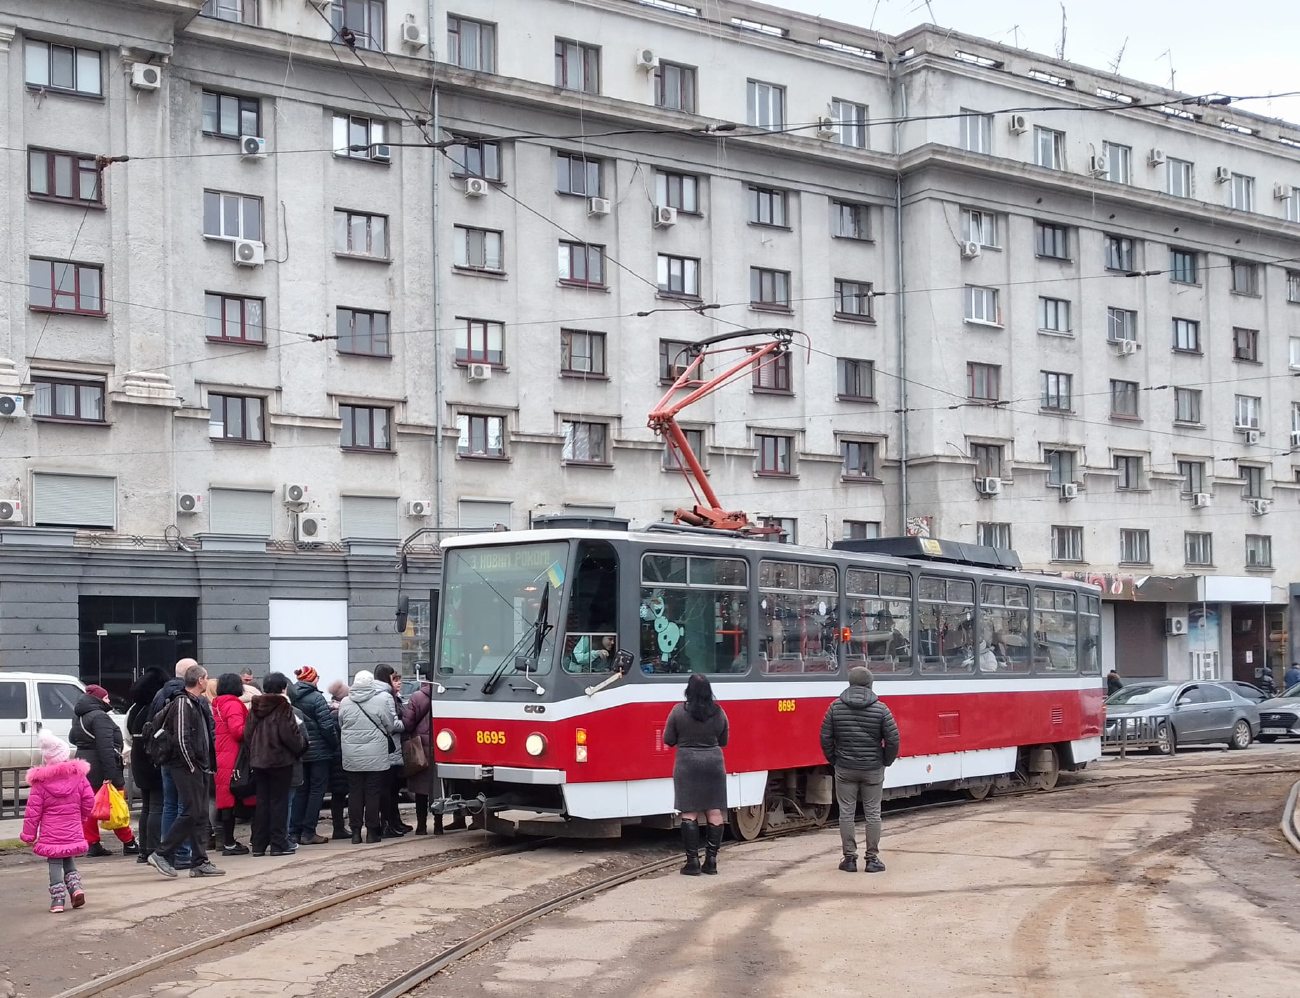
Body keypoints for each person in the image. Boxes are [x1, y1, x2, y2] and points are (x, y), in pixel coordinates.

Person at [146, 664, 224, 879]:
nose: (208, 681)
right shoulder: (183, 703)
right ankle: (161, 853)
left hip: (198, 766)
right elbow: (182, 738)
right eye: (206, 677)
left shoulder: (195, 702)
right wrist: (191, 765)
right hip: (186, 767)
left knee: (198, 814)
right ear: (200, 680)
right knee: (191, 812)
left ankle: (200, 862)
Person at [820, 667, 900, 874]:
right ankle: (872, 860)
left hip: (845, 768)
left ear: (850, 683)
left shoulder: (835, 708)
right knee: (873, 813)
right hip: (873, 769)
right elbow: (893, 740)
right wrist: (885, 761)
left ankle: (849, 859)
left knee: (846, 813)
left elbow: (825, 738)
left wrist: (835, 760)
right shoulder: (881, 709)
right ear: (870, 684)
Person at [662, 674, 730, 876]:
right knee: (714, 811)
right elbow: (724, 740)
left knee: (689, 812)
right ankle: (711, 861)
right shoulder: (719, 712)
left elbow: (668, 739)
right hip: (714, 764)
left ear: (688, 691)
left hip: (687, 764)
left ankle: (692, 862)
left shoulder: (677, 711)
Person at [21, 731, 96, 912]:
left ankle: (57, 901)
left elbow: (33, 811)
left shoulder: (40, 783)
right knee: (68, 856)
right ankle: (76, 889)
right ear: (65, 755)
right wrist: (82, 817)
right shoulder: (78, 776)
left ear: (47, 759)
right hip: (72, 827)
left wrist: (29, 834)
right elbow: (89, 800)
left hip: (51, 832)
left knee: (55, 862)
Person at [69, 684, 139, 858]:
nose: (109, 701)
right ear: (99, 699)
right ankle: (129, 843)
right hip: (102, 770)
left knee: (89, 809)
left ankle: (92, 844)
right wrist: (111, 775)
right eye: (106, 698)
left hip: (84, 767)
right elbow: (106, 748)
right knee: (116, 808)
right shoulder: (100, 717)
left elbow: (72, 737)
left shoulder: (78, 716)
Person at [247, 672, 309, 857]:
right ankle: (278, 844)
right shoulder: (283, 707)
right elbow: (290, 736)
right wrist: (303, 746)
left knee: (262, 802)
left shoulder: (255, 705)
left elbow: (247, 733)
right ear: (284, 688)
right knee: (279, 803)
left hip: (259, 761)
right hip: (280, 761)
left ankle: (258, 845)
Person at [338, 671, 402, 843]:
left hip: (351, 755)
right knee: (373, 793)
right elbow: (389, 726)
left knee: (355, 793)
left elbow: (341, 723)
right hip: (376, 755)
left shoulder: (345, 702)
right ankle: (372, 832)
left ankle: (356, 832)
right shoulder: (380, 701)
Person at [402, 679, 467, 836]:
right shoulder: (447, 695)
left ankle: (421, 826)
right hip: (442, 744)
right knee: (439, 789)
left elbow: (408, 724)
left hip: (421, 747)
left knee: (420, 791)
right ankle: (438, 826)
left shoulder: (417, 696)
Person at [287, 666, 338, 845]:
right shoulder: (317, 698)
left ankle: (294, 831)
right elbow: (327, 726)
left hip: (299, 751)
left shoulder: (290, 698)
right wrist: (334, 745)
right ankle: (309, 832)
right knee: (317, 792)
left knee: (301, 791)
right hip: (319, 753)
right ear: (313, 680)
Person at [126, 668, 168, 863]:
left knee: (147, 806)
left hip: (138, 756)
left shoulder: (135, 709)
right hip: (152, 757)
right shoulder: (155, 707)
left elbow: (127, 734)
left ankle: (144, 849)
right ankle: (153, 848)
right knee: (157, 806)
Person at [212, 673, 253, 856]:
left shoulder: (218, 703)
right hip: (234, 756)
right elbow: (238, 731)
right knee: (237, 797)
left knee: (225, 801)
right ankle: (230, 843)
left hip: (221, 756)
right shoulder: (233, 704)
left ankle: (226, 841)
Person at [373, 664, 409, 837]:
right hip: (390, 748)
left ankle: (393, 822)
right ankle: (389, 824)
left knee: (391, 789)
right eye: (393, 678)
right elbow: (392, 724)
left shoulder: (384, 694)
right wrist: (407, 724)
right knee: (389, 789)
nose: (397, 682)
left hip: (387, 748)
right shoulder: (386, 696)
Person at [327, 681, 350, 840]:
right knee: (340, 794)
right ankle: (339, 828)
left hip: (332, 758)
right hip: (341, 757)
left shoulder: (329, 710)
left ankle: (339, 826)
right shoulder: (340, 712)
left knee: (337, 795)